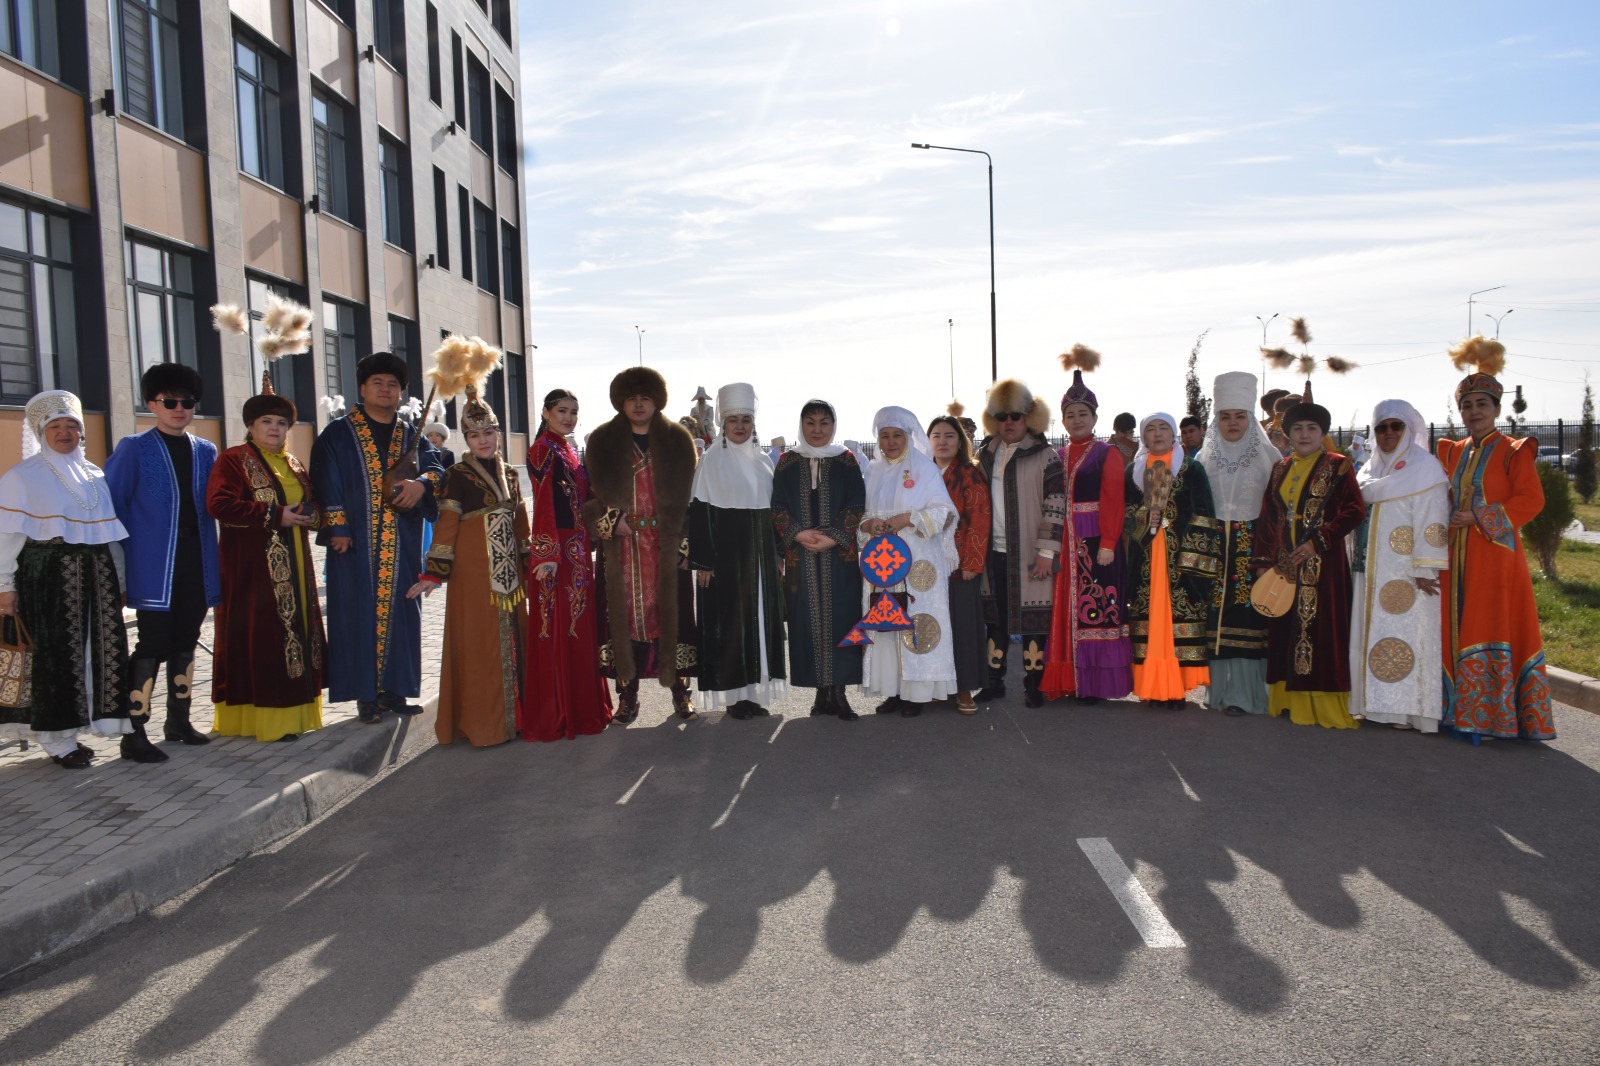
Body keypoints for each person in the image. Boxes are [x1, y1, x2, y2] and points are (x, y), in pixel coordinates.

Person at [0, 391, 133, 768]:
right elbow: (6, 536)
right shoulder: (22, 477)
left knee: (94, 653)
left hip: (97, 578)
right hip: (48, 580)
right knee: (55, 657)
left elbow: (109, 537)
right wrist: (4, 587)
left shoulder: (95, 475)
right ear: (41, 432)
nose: (64, 433)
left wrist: (120, 580)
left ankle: (79, 729)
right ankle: (57, 739)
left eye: (71, 426)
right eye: (55, 426)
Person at [311, 351, 443, 722]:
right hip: (355, 544)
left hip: (401, 543)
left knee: (403, 611)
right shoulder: (338, 433)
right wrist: (337, 526)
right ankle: (366, 697)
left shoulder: (411, 433)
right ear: (363, 388)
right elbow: (324, 479)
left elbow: (436, 467)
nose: (386, 390)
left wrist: (421, 484)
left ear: (401, 392)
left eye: (393, 385)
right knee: (356, 615)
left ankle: (395, 692)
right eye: (378, 383)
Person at [1436, 338, 1555, 741]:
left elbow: (1531, 500)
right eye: (1467, 405)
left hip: (1495, 554)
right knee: (1452, 624)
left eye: (1481, 405)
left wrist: (1480, 516)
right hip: (1454, 553)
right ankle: (1455, 711)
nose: (1474, 412)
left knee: (1489, 623)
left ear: (1497, 409)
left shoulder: (1513, 451)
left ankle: (1491, 718)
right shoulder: (1452, 452)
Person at [102, 363, 219, 759]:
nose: (179, 409)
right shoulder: (133, 448)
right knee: (152, 643)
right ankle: (134, 732)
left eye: (187, 402)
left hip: (197, 561)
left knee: (186, 639)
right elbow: (112, 508)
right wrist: (118, 570)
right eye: (170, 402)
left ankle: (179, 721)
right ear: (152, 404)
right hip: (154, 565)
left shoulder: (206, 451)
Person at [411, 380, 529, 746]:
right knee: (480, 644)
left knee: (514, 639)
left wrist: (531, 562)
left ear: (497, 434)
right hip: (475, 575)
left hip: (510, 575)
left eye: (489, 433)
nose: (483, 440)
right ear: (466, 439)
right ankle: (486, 725)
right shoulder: (457, 476)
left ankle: (518, 718)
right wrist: (434, 573)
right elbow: (446, 525)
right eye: (475, 435)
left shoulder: (510, 473)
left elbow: (521, 524)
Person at [207, 377, 326, 742]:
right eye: (266, 422)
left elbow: (311, 503)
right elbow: (219, 505)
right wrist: (276, 515)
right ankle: (267, 720)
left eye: (281, 423)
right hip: (252, 568)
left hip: (296, 562)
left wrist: (311, 515)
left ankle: (298, 714)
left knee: (297, 633)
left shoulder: (294, 463)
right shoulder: (233, 460)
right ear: (251, 426)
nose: (275, 428)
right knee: (264, 636)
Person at [583, 367, 699, 723]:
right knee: (621, 623)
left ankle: (680, 692)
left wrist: (684, 543)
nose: (638, 404)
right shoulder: (602, 441)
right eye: (631, 398)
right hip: (622, 548)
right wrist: (609, 520)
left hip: (666, 545)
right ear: (621, 401)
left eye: (644, 398)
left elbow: (691, 499)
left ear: (656, 401)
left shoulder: (678, 440)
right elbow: (588, 498)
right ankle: (628, 697)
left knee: (673, 618)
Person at [1252, 388, 1365, 729]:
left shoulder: (1338, 465)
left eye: (1311, 429)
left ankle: (1320, 705)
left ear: (1322, 433)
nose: (1304, 434)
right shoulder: (1279, 468)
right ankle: (1287, 700)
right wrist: (1262, 562)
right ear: (1288, 433)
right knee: (1284, 628)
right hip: (1284, 563)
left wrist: (1319, 541)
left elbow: (1354, 511)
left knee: (1321, 632)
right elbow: (1269, 517)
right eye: (1297, 428)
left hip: (1323, 564)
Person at [688, 383, 786, 719]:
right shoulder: (711, 461)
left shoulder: (764, 462)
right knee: (730, 627)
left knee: (757, 625)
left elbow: (773, 515)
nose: (740, 426)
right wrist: (704, 561)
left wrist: (777, 554)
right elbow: (700, 514)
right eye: (733, 420)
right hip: (724, 562)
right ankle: (734, 698)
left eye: (746, 419)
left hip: (759, 560)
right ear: (724, 424)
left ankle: (753, 695)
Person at [1349, 399, 1449, 732]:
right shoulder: (1368, 470)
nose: (1388, 433)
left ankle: (1403, 712)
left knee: (1403, 638)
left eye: (1396, 426)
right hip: (1367, 569)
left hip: (1406, 572)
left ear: (1408, 428)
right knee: (1366, 636)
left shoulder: (1425, 468)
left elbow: (1433, 520)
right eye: (1381, 427)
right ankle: (1369, 706)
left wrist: (1425, 568)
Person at [524, 389, 614, 741]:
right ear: (546, 413)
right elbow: (544, 501)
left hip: (576, 549)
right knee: (561, 626)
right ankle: (560, 712)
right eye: (562, 411)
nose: (568, 417)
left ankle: (582, 708)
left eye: (574, 412)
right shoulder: (542, 449)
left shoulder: (569, 449)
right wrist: (546, 554)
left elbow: (585, 496)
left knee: (577, 626)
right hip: (557, 551)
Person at [859, 406, 958, 716]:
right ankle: (894, 691)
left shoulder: (925, 470)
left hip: (918, 563)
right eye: (884, 436)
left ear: (908, 436)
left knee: (916, 622)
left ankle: (917, 693)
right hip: (883, 565)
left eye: (897, 435)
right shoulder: (872, 472)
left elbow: (945, 514)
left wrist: (908, 519)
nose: (890, 442)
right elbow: (861, 517)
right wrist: (869, 525)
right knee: (886, 625)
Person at [1042, 366, 1132, 704]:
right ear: (1063, 421)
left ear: (1095, 417)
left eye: (1083, 414)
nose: (1077, 419)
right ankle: (1071, 679)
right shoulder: (1058, 456)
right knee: (1065, 610)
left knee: (1096, 609)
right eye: (1070, 415)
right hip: (1064, 543)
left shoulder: (1107, 453)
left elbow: (1113, 499)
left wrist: (1108, 542)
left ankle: (1095, 684)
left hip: (1095, 541)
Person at [771, 400, 866, 719]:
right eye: (810, 422)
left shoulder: (846, 460)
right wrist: (797, 534)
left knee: (842, 618)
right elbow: (777, 505)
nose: (817, 429)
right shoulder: (787, 461)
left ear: (833, 425)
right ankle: (820, 693)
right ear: (801, 425)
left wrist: (833, 536)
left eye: (824, 423)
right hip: (801, 557)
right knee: (806, 621)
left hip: (839, 556)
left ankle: (838, 692)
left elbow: (856, 503)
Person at [977, 379, 1063, 707]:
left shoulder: (1045, 456)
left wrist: (1046, 551)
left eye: (1016, 415)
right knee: (995, 619)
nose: (1009, 422)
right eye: (1002, 416)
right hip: (992, 552)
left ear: (1029, 417)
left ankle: (1034, 685)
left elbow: (1055, 505)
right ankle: (993, 681)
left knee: (1033, 620)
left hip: (1030, 552)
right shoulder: (985, 454)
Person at [1125, 412, 1220, 706]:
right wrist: (1144, 517)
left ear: (1173, 433)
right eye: (1151, 429)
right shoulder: (1133, 470)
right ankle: (1153, 687)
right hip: (1146, 557)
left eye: (1163, 428)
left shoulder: (1191, 468)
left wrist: (1190, 559)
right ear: (1143, 436)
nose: (1157, 434)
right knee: (1150, 620)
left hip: (1180, 559)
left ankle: (1176, 688)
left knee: (1174, 620)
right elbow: (1126, 512)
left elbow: (1204, 513)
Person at [1195, 372, 1276, 717]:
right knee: (1215, 618)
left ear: (1250, 418)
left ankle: (1247, 694)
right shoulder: (1203, 459)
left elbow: (1277, 511)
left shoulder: (1270, 459)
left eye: (1240, 416)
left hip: (1253, 548)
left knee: (1250, 616)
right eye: (1225, 416)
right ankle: (1219, 693)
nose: (1232, 423)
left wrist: (1268, 555)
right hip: (1214, 549)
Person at [929, 409, 990, 714]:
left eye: (949, 436)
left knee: (962, 627)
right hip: (925, 565)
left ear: (960, 441)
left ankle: (964, 689)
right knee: (932, 625)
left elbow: (979, 519)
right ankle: (937, 686)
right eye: (936, 436)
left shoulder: (969, 473)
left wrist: (972, 563)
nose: (942, 441)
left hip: (959, 564)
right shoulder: (920, 474)